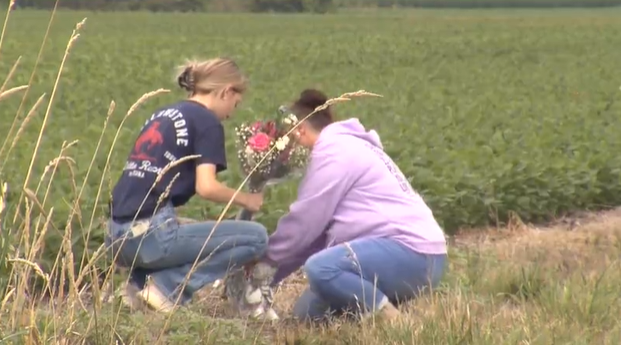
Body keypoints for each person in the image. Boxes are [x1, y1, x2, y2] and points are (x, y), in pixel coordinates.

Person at [260, 89, 447, 322]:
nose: (293, 146)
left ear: (300, 129)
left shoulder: (335, 151)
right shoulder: (349, 145)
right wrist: (267, 277)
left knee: (321, 269)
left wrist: (265, 259)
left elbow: (305, 221)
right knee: (307, 316)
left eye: (291, 137)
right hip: (421, 258)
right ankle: (382, 303)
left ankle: (395, 323)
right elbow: (315, 236)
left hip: (411, 254)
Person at [106, 58, 268, 314]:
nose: (231, 113)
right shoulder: (207, 122)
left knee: (185, 226)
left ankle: (134, 289)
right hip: (151, 238)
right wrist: (247, 199)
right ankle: (168, 288)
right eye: (234, 104)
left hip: (115, 237)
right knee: (256, 237)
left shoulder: (164, 114)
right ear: (226, 91)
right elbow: (207, 187)